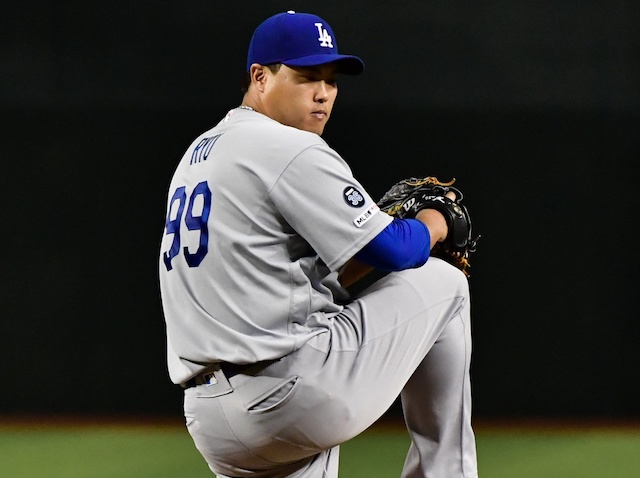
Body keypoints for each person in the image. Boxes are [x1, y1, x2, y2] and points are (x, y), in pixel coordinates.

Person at [159, 10, 478, 478]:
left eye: (331, 80)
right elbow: (399, 251)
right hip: (286, 394)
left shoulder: (198, 153)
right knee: (443, 283)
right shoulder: (288, 147)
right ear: (260, 77)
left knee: (322, 318)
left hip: (211, 416)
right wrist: (436, 222)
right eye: (307, 76)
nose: (323, 93)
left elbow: (307, 281)